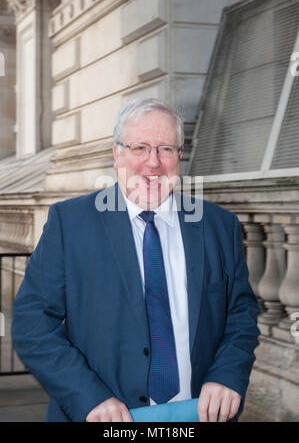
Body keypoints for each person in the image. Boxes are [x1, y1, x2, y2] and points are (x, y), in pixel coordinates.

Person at [11, 98, 260, 422]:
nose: (153, 163)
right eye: (140, 147)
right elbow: (32, 322)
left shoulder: (218, 226)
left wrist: (228, 374)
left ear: (180, 156)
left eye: (166, 149)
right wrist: (89, 398)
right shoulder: (70, 222)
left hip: (196, 415)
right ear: (117, 154)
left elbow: (241, 312)